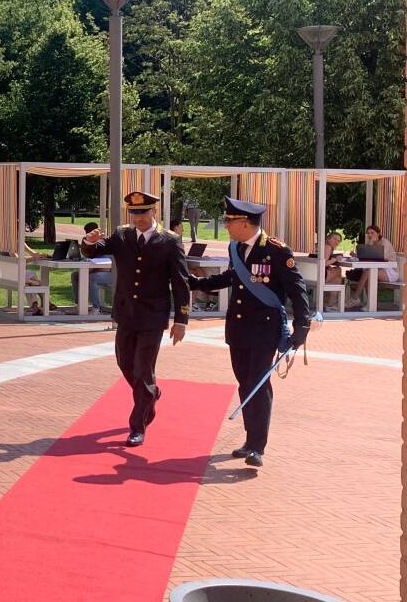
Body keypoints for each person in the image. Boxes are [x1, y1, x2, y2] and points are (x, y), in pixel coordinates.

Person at [188, 197, 311, 467]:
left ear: (244, 223)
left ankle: (258, 445)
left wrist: (302, 325)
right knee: (245, 382)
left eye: (229, 221)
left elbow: (296, 289)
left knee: (258, 383)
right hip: (238, 328)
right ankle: (249, 439)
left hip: (264, 329)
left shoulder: (276, 250)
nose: (226, 225)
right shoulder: (236, 248)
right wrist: (196, 283)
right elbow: (231, 278)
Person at [81, 191, 189, 447]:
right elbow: (93, 251)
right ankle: (151, 393)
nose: (138, 218)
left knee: (143, 369)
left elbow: (180, 281)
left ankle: (138, 425)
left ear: (154, 212)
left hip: (153, 315)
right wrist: (88, 241)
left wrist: (181, 319)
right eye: (134, 213)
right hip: (126, 313)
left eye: (142, 213)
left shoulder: (170, 241)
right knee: (125, 363)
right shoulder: (122, 235)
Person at [348, 224, 399, 307]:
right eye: (368, 233)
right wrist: (356, 255)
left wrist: (371, 243)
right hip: (378, 269)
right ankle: (371, 304)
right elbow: (368, 257)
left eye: (372, 233)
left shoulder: (384, 242)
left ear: (378, 233)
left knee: (367, 271)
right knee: (367, 275)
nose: (370, 235)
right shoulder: (370, 242)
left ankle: (355, 298)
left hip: (390, 272)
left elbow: (382, 258)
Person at [70, 221, 113, 313]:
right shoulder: (87, 243)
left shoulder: (103, 243)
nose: (88, 235)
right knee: (75, 275)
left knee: (92, 278)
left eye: (90, 232)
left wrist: (90, 270)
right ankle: (80, 305)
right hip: (94, 270)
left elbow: (107, 265)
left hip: (111, 273)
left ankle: (96, 308)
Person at [323, 232, 344, 310]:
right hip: (319, 276)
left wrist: (329, 267)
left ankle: (331, 303)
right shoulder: (328, 247)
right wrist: (335, 259)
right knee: (338, 270)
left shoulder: (322, 245)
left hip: (311, 274)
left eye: (338, 241)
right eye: (335, 239)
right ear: (329, 239)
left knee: (337, 279)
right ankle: (331, 304)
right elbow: (323, 263)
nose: (336, 242)